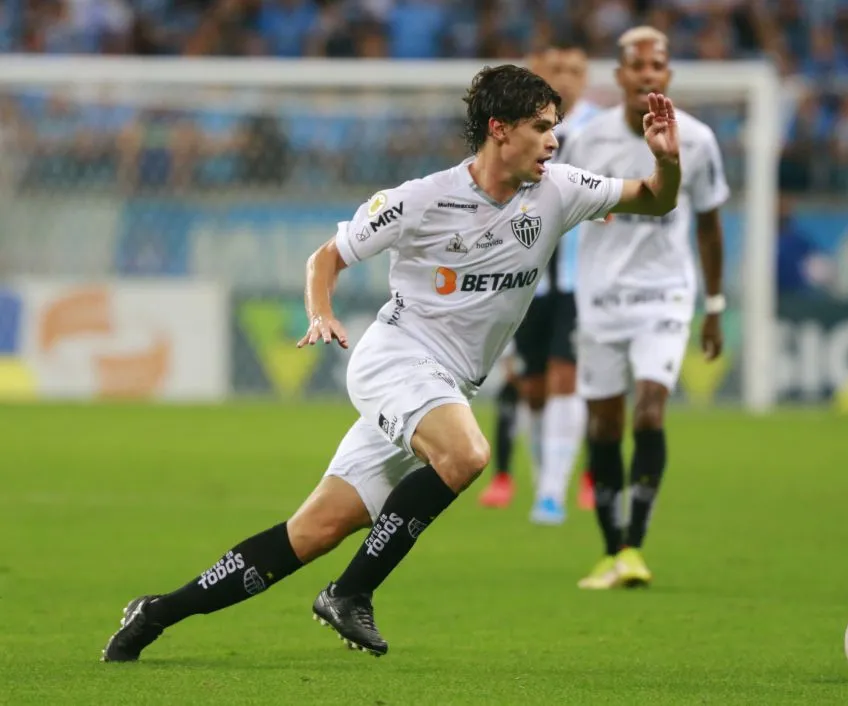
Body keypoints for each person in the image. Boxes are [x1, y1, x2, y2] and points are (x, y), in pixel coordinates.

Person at [101, 64, 682, 661]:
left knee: (312, 532)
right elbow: (325, 258)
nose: (554, 140)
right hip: (395, 359)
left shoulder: (561, 190)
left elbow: (656, 200)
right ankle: (350, 593)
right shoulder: (421, 199)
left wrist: (665, 160)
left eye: (555, 126)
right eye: (540, 127)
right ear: (498, 129)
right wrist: (320, 312)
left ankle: (156, 613)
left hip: (445, 386)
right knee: (467, 454)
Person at [564, 27, 728, 590]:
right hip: (601, 296)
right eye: (636, 65)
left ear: (668, 75)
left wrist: (715, 303)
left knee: (651, 410)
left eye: (657, 65)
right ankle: (611, 550)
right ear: (620, 76)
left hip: (665, 294)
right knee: (604, 423)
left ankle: (634, 544)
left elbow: (708, 223)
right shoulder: (585, 141)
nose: (647, 74)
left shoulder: (699, 139)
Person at [478, 34, 601, 522]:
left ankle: (552, 493)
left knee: (565, 378)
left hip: (576, 280)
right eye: (555, 68)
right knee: (530, 387)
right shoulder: (516, 131)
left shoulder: (600, 131)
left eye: (574, 68)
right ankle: (541, 478)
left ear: (586, 78)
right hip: (523, 277)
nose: (565, 76)